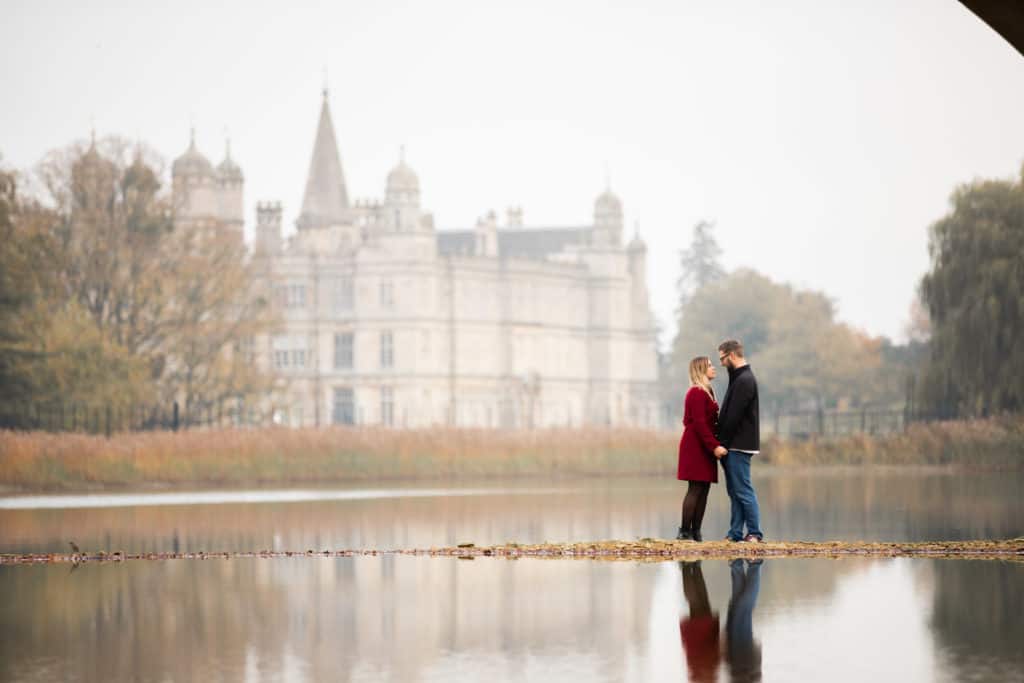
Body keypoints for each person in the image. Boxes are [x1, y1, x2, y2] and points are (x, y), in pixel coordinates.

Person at [676, 356, 729, 541]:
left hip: (704, 446)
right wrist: (714, 446)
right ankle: (684, 532)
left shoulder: (708, 391)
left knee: (704, 488)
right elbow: (698, 424)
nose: (714, 368)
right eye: (709, 365)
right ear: (701, 370)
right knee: (695, 488)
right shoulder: (696, 393)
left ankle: (696, 532)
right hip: (695, 447)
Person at [717, 339, 764, 543]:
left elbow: (733, 417)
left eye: (722, 358)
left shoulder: (745, 380)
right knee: (735, 492)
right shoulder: (738, 378)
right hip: (733, 445)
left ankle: (755, 533)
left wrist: (722, 444)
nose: (720, 363)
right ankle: (735, 533)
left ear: (732, 355)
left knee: (743, 490)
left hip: (738, 445)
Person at [677, 561, 720, 682]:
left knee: (697, 602)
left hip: (700, 635)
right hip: (702, 635)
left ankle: (689, 567)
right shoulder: (705, 673)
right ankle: (691, 567)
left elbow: (715, 654)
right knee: (699, 601)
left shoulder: (701, 673)